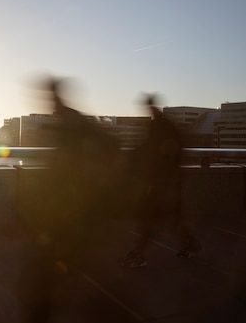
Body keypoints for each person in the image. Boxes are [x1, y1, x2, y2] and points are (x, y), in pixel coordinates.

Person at [19, 77, 122, 322]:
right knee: (64, 267)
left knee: (50, 270)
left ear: (54, 96)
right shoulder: (71, 121)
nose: (48, 104)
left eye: (48, 96)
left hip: (71, 207)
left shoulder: (72, 124)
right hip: (71, 208)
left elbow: (72, 164)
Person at [120, 94, 202, 268]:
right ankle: (189, 244)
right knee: (172, 218)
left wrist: (130, 158)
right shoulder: (168, 125)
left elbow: (149, 150)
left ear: (150, 107)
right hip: (170, 181)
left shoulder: (157, 126)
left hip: (161, 182)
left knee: (149, 219)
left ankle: (139, 254)